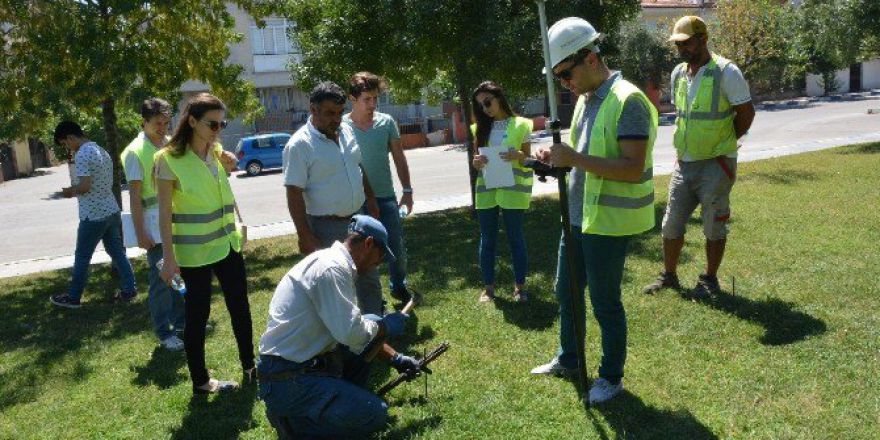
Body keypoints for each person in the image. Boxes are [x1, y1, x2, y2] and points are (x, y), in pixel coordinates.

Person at [530, 17, 658, 405]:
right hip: (577, 214)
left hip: (607, 221)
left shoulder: (628, 100)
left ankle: (610, 377)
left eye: (565, 73)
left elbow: (631, 166)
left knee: (604, 302)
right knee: (565, 291)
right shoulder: (586, 100)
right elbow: (580, 158)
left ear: (589, 58)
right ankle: (569, 358)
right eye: (557, 77)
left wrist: (575, 158)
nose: (564, 83)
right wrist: (554, 160)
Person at [257, 215, 419, 439]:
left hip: (295, 370)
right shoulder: (332, 269)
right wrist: (384, 326)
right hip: (288, 378)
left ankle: (324, 407)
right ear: (369, 243)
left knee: (370, 319)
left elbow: (356, 330)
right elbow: (352, 334)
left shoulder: (333, 263)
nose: (378, 264)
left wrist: (396, 358)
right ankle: (294, 426)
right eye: (380, 256)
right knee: (375, 415)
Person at [643, 15, 755, 299]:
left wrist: (725, 142)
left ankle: (709, 280)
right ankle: (669, 276)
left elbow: (746, 114)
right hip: (684, 162)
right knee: (671, 222)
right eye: (677, 44)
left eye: (687, 43)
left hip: (716, 163)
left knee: (714, 223)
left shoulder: (727, 71)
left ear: (703, 39)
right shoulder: (679, 73)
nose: (681, 49)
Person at [154, 93, 254, 394]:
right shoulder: (167, 159)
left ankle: (250, 366)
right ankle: (200, 381)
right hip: (194, 253)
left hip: (227, 245)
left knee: (241, 307)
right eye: (212, 124)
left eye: (222, 123)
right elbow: (164, 214)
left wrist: (227, 164)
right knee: (197, 317)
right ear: (192, 121)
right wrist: (169, 259)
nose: (218, 129)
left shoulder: (216, 152)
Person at [283, 81, 384, 315]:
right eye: (329, 113)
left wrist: (371, 200)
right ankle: (343, 339)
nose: (336, 119)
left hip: (358, 221)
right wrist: (304, 235)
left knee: (368, 274)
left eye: (339, 113)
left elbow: (358, 166)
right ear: (313, 109)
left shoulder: (346, 130)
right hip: (325, 227)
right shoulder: (299, 145)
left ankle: (375, 328)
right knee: (336, 284)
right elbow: (293, 192)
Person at [343, 71, 420, 304]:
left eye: (376, 98)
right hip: (356, 201)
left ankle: (398, 286)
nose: (373, 104)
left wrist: (407, 191)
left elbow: (399, 157)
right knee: (361, 252)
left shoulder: (386, 122)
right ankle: (372, 297)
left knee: (395, 246)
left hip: (386, 197)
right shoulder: (342, 126)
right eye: (367, 99)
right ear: (352, 98)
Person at [49, 121, 137, 308]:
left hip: (93, 215)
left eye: (65, 143)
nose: (68, 148)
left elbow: (85, 185)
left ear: (70, 137)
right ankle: (130, 289)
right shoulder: (101, 150)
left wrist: (70, 191)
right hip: (111, 210)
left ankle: (73, 297)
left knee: (82, 255)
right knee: (117, 252)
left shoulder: (82, 154)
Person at [120, 98, 185, 351]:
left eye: (167, 123)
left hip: (175, 223)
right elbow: (134, 197)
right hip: (154, 228)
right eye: (158, 123)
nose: (163, 128)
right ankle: (164, 331)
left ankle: (181, 323)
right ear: (144, 121)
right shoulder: (136, 151)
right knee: (161, 281)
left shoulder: (168, 144)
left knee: (178, 276)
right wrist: (140, 233)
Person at [470, 81, 534, 303]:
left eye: (488, 102)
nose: (485, 108)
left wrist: (519, 156)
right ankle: (488, 288)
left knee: (516, 238)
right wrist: (477, 162)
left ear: (499, 97)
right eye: (480, 106)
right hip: (487, 188)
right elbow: (477, 161)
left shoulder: (522, 124)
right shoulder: (478, 127)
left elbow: (529, 160)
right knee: (487, 240)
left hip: (513, 189)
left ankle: (520, 287)